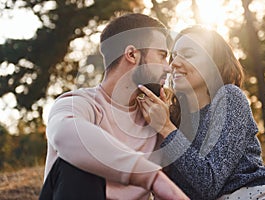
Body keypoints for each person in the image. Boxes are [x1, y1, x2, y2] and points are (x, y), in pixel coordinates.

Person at [137, 25, 265, 200]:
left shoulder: (229, 98)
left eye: (188, 55)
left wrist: (166, 129)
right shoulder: (172, 118)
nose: (173, 63)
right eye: (173, 56)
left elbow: (210, 184)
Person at [39, 13, 189, 200]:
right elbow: (64, 133)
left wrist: (166, 128)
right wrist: (151, 177)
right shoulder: (79, 103)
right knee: (74, 165)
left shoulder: (156, 117)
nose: (168, 67)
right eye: (161, 56)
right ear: (132, 54)